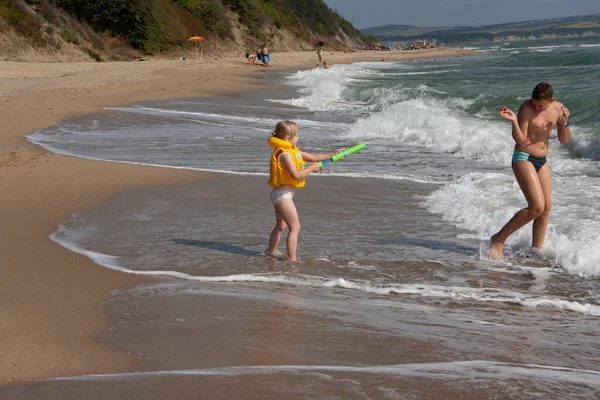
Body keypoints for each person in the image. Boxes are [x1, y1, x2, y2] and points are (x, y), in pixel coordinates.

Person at [490, 82, 571, 260]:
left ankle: (535, 252)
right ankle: (498, 239)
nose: (535, 106)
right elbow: (520, 140)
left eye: (540, 105)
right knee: (536, 206)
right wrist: (513, 122)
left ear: (551, 101)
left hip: (541, 161)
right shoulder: (526, 108)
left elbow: (564, 140)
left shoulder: (558, 109)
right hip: (523, 157)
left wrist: (563, 123)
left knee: (546, 209)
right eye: (534, 102)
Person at [266, 121, 336, 262]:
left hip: (281, 194)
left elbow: (314, 157)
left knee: (281, 226)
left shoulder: (293, 151)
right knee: (295, 227)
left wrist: (334, 154)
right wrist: (311, 169)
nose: (298, 138)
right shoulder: (285, 155)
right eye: (296, 136)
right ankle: (292, 259)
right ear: (286, 137)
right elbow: (296, 175)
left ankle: (270, 251)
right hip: (282, 196)